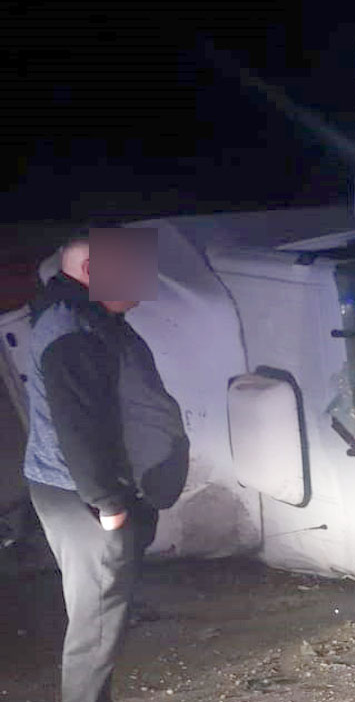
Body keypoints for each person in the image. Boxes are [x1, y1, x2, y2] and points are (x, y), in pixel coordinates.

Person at [23, 225, 188, 702]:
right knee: (95, 625)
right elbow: (77, 427)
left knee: (103, 615)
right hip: (83, 497)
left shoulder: (87, 316)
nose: (142, 284)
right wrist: (108, 503)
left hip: (94, 491)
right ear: (92, 270)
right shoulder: (71, 332)